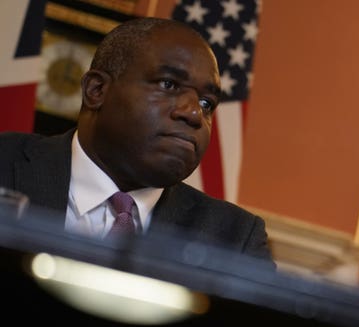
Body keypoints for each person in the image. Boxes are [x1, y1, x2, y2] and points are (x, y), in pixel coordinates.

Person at [0, 17, 274, 266]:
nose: (193, 113)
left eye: (207, 103)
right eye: (168, 85)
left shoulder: (234, 240)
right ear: (97, 90)